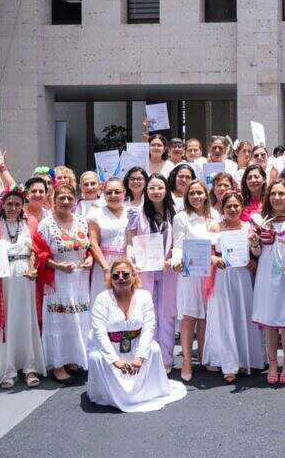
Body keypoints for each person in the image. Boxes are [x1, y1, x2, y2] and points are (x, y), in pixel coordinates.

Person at [85, 259, 189, 412]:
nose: (121, 278)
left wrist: (139, 357)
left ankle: (148, 391)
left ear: (133, 276)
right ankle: (109, 395)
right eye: (116, 275)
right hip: (109, 347)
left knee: (153, 348)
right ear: (110, 278)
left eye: (125, 274)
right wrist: (114, 360)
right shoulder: (102, 299)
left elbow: (148, 328)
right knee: (96, 357)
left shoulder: (144, 296)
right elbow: (99, 332)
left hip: (135, 344)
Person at [0, 187, 46, 389]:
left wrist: (35, 269)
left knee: (25, 321)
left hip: (26, 280)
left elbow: (38, 250)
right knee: (7, 322)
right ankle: (6, 369)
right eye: (9, 203)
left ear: (22, 206)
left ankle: (29, 367)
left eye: (17, 204)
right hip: (3, 282)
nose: (13, 207)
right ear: (2, 205)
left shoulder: (31, 223)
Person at [203, 192, 266, 383]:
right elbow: (204, 251)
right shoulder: (214, 227)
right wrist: (213, 258)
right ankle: (228, 363)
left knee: (243, 315)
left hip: (243, 276)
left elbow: (256, 252)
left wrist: (255, 247)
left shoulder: (248, 227)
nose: (233, 209)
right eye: (229, 206)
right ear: (222, 208)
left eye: (236, 206)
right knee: (224, 317)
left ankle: (248, 358)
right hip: (223, 276)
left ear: (241, 207)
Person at [249, 181, 285, 385]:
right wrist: (255, 243)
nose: (277, 197)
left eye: (281, 193)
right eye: (273, 193)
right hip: (267, 275)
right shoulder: (259, 220)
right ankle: (273, 363)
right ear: (268, 197)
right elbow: (256, 253)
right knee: (270, 322)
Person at [35, 183, 94, 384]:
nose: (66, 202)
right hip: (58, 279)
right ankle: (58, 365)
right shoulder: (46, 224)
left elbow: (87, 247)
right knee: (59, 320)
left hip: (79, 278)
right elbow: (39, 255)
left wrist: (90, 258)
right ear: (54, 200)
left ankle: (73, 360)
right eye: (62, 198)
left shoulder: (81, 221)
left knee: (78, 319)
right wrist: (57, 266)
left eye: (70, 198)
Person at [125, 174, 179, 369]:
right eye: (152, 188)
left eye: (160, 188)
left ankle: (165, 359)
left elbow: (180, 243)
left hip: (168, 272)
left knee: (167, 315)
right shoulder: (136, 213)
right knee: (147, 314)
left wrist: (174, 259)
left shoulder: (175, 213)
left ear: (166, 190)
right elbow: (130, 242)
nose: (156, 192)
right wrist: (131, 261)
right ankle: (148, 357)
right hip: (145, 271)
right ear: (146, 192)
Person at [170, 180, 217, 381]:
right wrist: (175, 261)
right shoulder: (182, 218)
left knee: (206, 316)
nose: (196, 196)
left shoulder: (214, 215)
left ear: (206, 194)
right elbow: (178, 244)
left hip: (210, 272)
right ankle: (187, 360)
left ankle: (204, 356)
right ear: (186, 197)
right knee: (190, 317)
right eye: (192, 193)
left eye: (200, 193)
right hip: (190, 273)